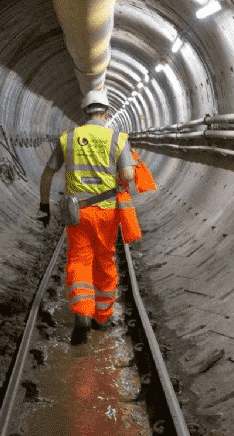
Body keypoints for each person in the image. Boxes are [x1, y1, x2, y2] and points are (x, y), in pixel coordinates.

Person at [38, 89, 135, 345]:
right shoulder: (118, 138)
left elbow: (48, 173)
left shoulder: (68, 138)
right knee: (104, 260)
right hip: (106, 212)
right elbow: (126, 176)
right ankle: (101, 318)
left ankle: (82, 313)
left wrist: (44, 206)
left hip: (76, 212)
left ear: (84, 112)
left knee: (79, 259)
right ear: (106, 111)